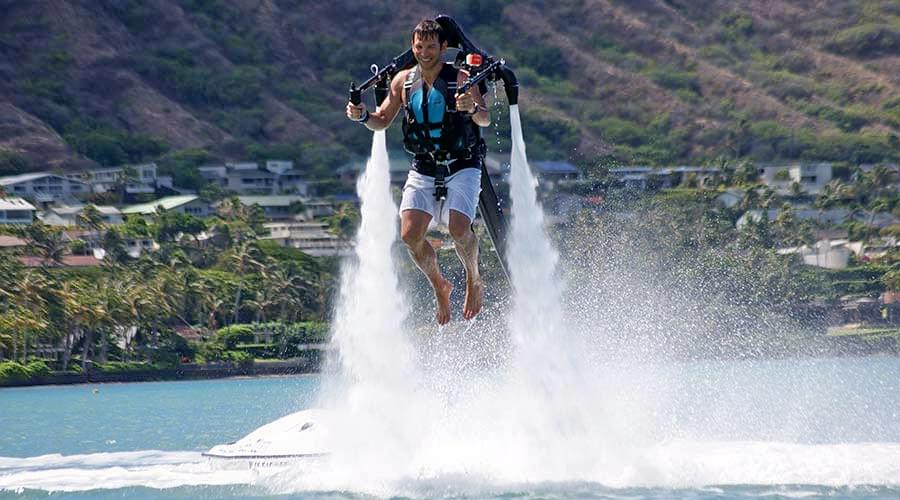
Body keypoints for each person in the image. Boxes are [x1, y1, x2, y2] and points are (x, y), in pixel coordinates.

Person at [346, 19, 491, 325]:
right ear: (413, 47)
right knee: (409, 234)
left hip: (462, 163)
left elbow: (485, 121)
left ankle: (474, 278)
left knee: (458, 229)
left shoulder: (462, 78)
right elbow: (381, 120)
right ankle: (440, 284)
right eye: (419, 46)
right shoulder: (402, 81)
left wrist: (472, 108)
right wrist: (361, 117)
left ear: (443, 48)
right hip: (424, 165)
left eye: (431, 47)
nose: (425, 52)